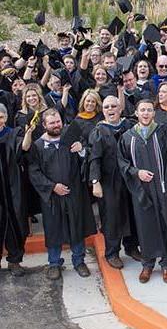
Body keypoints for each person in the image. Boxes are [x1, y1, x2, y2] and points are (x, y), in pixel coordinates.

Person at [117, 85, 167, 284]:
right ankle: (148, 264)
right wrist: (136, 172)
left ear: (154, 113)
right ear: (136, 112)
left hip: (162, 187)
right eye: (143, 110)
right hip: (140, 190)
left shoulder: (162, 132)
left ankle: (166, 264)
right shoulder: (127, 138)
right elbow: (122, 163)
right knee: (144, 226)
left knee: (165, 223)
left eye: (150, 110)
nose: (146, 113)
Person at [28, 108, 96, 280]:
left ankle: (79, 262)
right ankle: (54, 263)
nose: (56, 125)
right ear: (44, 125)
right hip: (52, 196)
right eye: (52, 123)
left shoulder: (71, 138)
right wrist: (51, 187)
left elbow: (87, 158)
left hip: (74, 192)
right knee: (53, 228)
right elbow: (34, 172)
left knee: (76, 226)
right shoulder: (38, 146)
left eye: (58, 121)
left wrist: (82, 150)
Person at [88, 94, 141, 269]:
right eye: (107, 107)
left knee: (133, 213)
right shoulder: (98, 131)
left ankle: (132, 247)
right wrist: (95, 181)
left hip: (130, 178)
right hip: (109, 181)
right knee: (112, 216)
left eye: (113, 106)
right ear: (102, 110)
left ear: (120, 108)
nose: (110, 110)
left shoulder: (130, 126)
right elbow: (94, 158)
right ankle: (112, 252)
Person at [0, 104, 32, 276]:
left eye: (1, 117)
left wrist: (28, 134)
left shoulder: (13, 134)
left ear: (5, 118)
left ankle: (15, 261)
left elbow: (24, 148)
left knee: (16, 223)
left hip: (13, 187)